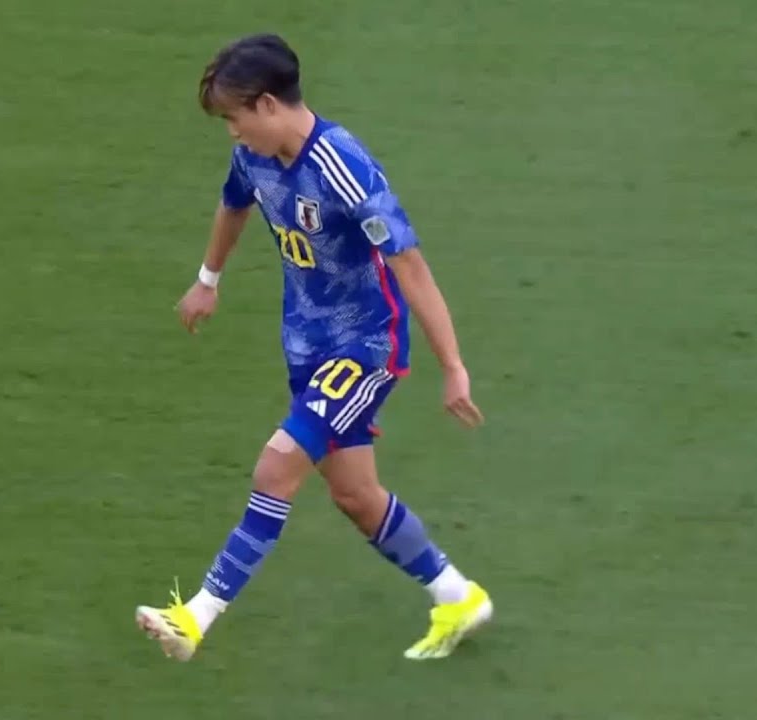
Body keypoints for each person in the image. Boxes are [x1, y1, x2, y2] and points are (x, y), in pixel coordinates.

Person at [134, 32, 493, 662]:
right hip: (306, 347)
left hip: (366, 348)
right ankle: (457, 596)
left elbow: (410, 265)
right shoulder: (254, 157)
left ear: (268, 104)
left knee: (276, 468)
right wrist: (208, 279)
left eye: (236, 117)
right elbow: (233, 204)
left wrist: (454, 366)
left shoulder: (342, 166)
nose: (233, 132)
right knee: (355, 496)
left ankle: (195, 617)